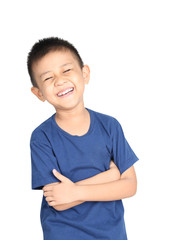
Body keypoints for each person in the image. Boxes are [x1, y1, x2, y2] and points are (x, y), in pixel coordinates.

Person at [28, 37, 139, 240]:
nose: (60, 81)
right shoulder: (41, 137)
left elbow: (130, 185)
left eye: (66, 70)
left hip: (112, 234)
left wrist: (75, 191)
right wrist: (111, 176)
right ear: (38, 93)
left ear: (85, 73)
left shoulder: (110, 126)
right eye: (47, 78)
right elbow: (59, 200)